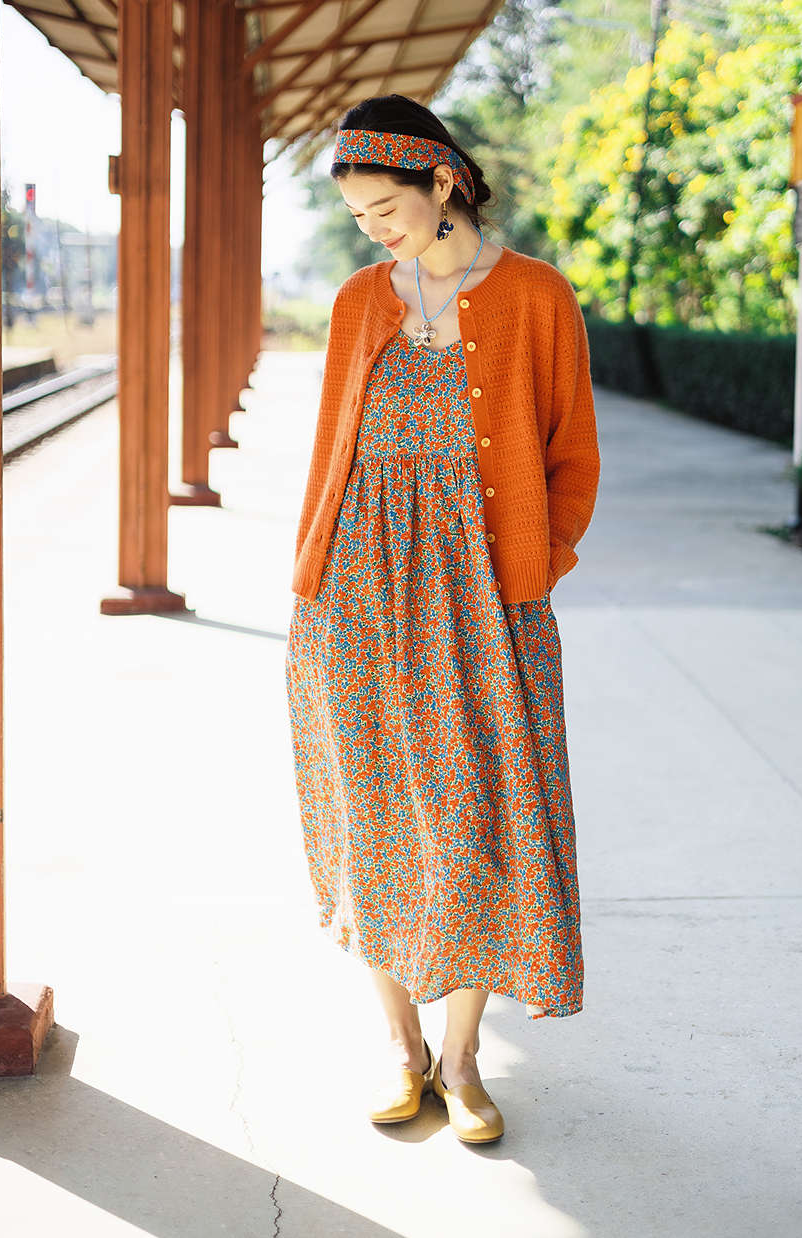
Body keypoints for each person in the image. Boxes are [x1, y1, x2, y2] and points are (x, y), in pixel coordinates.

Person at [285, 93, 601, 1145]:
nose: (374, 230)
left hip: (484, 600)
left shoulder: (538, 296)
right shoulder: (356, 303)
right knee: (372, 808)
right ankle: (401, 1046)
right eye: (359, 215)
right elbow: (331, 456)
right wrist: (312, 588)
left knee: (484, 822)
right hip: (358, 596)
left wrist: (532, 570)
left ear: (444, 180)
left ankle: (461, 1057)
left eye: (387, 208)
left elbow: (571, 454)